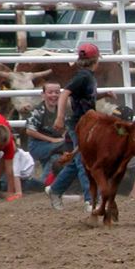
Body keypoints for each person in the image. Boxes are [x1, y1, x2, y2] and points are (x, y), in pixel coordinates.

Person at [46, 43, 114, 212]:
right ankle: (90, 200)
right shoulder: (83, 76)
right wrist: (60, 116)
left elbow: (85, 96)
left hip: (84, 123)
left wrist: (104, 94)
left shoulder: (86, 77)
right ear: (95, 60)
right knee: (84, 159)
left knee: (77, 160)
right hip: (79, 123)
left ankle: (55, 189)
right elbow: (65, 93)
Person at [25, 81, 67, 183]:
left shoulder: (61, 110)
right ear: (43, 95)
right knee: (66, 145)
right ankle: (43, 182)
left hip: (52, 146)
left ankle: (44, 182)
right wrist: (53, 140)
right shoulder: (38, 110)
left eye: (57, 92)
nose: (54, 95)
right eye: (50, 92)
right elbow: (30, 131)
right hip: (37, 146)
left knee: (56, 157)